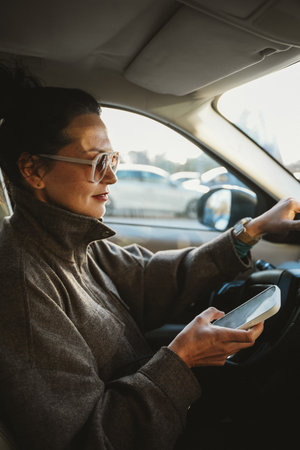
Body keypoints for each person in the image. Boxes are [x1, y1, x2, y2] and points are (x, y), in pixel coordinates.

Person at [0, 62, 299, 450]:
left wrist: (250, 231)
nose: (112, 177)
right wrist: (181, 359)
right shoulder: (21, 287)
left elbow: (148, 280)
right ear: (33, 170)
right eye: (96, 162)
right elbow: (87, 440)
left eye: (113, 159)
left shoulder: (71, 243)